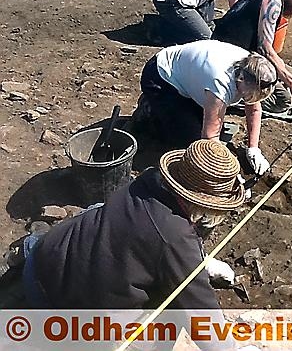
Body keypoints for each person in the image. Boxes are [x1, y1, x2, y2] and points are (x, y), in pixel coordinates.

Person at [22, 139, 254, 350]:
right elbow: (203, 320)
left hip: (42, 261)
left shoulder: (149, 180)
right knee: (168, 316)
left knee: (96, 213)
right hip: (57, 308)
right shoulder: (176, 238)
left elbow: (146, 237)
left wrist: (198, 262)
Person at [130, 39, 276, 176]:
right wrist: (229, 175)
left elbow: (254, 109)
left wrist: (253, 148)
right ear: (241, 79)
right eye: (250, 94)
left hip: (191, 79)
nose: (250, 99)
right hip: (160, 79)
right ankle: (149, 109)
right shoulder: (220, 83)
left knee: (204, 126)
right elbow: (209, 137)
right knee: (192, 142)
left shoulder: (252, 67)